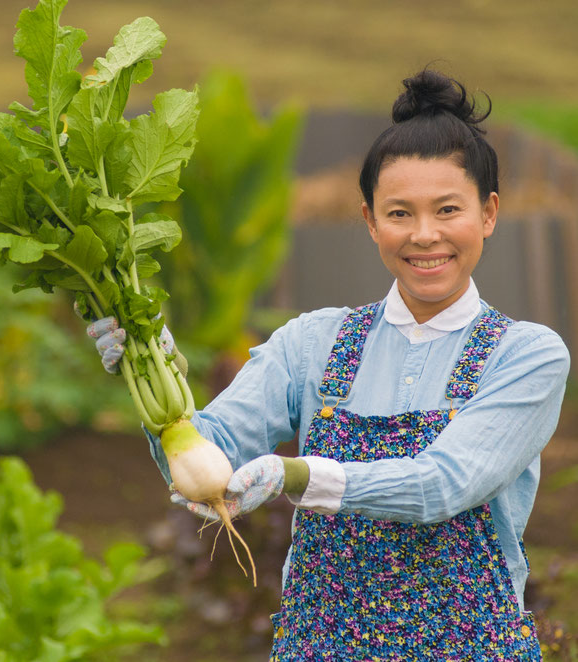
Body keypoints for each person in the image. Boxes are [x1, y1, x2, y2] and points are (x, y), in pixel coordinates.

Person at [88, 69, 570, 660]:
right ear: (369, 220)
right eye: (399, 214)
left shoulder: (524, 354)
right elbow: (198, 461)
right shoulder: (313, 342)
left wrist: (297, 475)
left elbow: (442, 485)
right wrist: (150, 368)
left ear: (489, 214)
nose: (425, 235)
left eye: (448, 210)